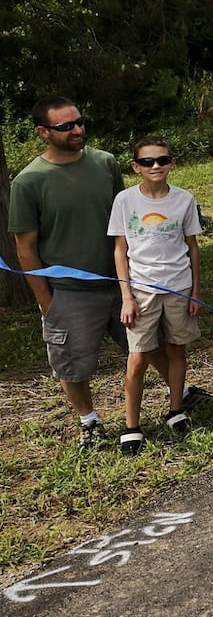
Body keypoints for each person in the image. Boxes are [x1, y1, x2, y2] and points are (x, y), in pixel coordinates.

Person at [9, 98, 135, 448]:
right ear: (43, 132)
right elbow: (25, 248)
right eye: (66, 126)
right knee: (72, 366)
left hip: (120, 281)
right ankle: (89, 421)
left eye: (80, 122)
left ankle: (180, 395)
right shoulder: (29, 182)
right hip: (69, 292)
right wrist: (47, 301)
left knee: (148, 344)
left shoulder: (105, 163)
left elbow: (124, 220)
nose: (77, 130)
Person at [108, 137, 201, 455]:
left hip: (179, 287)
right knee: (137, 359)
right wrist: (127, 296)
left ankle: (176, 410)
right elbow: (120, 250)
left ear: (172, 163)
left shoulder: (184, 200)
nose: (156, 166)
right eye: (147, 162)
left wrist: (195, 292)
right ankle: (131, 427)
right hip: (141, 290)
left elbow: (192, 247)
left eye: (162, 160)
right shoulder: (124, 201)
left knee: (177, 349)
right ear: (136, 167)